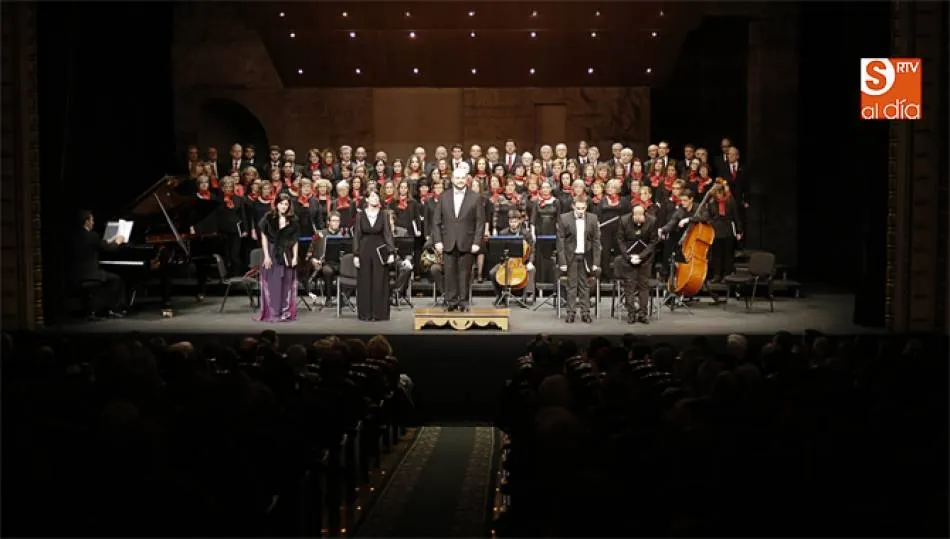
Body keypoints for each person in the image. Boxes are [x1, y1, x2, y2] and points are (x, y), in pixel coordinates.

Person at [431, 167, 485, 312]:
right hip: (448, 242)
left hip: (467, 242)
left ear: (466, 179)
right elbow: (436, 221)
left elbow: (480, 223)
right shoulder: (444, 196)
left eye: (463, 178)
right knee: (449, 273)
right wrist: (437, 240)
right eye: (457, 178)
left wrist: (476, 242)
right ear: (453, 179)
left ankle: (463, 302)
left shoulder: (475, 197)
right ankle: (451, 301)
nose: (460, 181)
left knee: (465, 274)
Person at [70, 210, 128, 319]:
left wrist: (110, 240)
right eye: (92, 220)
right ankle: (113, 308)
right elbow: (109, 249)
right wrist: (118, 242)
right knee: (116, 279)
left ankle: (98, 307)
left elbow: (100, 243)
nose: (93, 223)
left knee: (108, 277)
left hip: (75, 275)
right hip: (90, 275)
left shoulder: (75, 235)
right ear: (87, 221)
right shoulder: (92, 235)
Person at [556, 195, 601, 323]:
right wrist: (562, 262)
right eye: (578, 208)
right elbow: (560, 242)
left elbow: (596, 242)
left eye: (583, 208)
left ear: (586, 207)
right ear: (573, 206)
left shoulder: (592, 218)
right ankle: (570, 313)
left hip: (586, 257)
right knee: (571, 286)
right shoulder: (564, 218)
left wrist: (596, 262)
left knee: (585, 286)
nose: (581, 211)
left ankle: (585, 313)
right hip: (571, 257)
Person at [353, 191, 396, 321]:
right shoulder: (360, 215)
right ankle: (366, 313)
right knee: (365, 282)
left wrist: (391, 252)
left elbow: (388, 234)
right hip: (364, 251)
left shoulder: (383, 215)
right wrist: (356, 255)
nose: (375, 198)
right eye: (372, 196)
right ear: (367, 199)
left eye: (377, 196)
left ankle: (379, 313)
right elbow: (357, 236)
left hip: (379, 251)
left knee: (380, 281)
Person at [257, 193, 300, 322]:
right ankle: (273, 312)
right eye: (281, 203)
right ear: (276, 204)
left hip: (287, 253)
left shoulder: (293, 220)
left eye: (286, 204)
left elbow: (295, 240)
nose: (283, 206)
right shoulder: (268, 217)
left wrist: (295, 257)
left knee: (286, 283)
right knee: (273, 284)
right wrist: (266, 256)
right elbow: (263, 237)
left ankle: (285, 311)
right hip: (271, 252)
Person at [616, 205, 659, 324]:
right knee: (629, 287)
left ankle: (643, 314)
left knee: (643, 287)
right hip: (628, 258)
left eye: (641, 216)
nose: (639, 218)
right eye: (636, 216)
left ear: (644, 214)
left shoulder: (652, 221)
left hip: (645, 259)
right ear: (633, 214)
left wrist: (641, 257)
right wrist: (629, 257)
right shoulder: (624, 220)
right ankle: (631, 314)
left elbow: (653, 242)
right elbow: (620, 240)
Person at [489, 209, 537, 306]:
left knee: (532, 270)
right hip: (507, 261)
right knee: (492, 272)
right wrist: (502, 259)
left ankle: (526, 297)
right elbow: (499, 251)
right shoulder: (503, 233)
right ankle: (499, 295)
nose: (513, 224)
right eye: (511, 222)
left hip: (522, 262)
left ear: (519, 221)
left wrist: (530, 262)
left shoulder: (526, 233)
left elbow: (532, 250)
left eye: (515, 221)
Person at [307, 211, 349, 306]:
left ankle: (344, 298)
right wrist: (313, 259)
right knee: (327, 271)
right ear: (328, 222)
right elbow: (310, 251)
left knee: (352, 269)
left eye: (338, 221)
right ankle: (328, 298)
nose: (336, 223)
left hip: (340, 263)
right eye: (333, 221)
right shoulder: (320, 234)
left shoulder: (344, 235)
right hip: (325, 264)